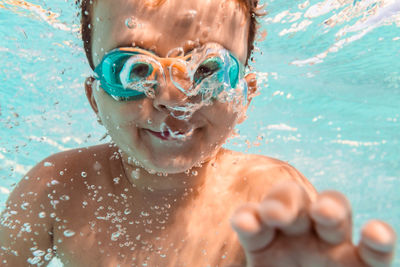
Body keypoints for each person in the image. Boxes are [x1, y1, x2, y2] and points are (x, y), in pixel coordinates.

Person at [0, 0, 396, 266]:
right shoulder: (56, 189)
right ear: (95, 96)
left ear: (245, 97)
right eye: (134, 70)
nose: (174, 99)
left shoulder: (271, 198)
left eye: (207, 70)